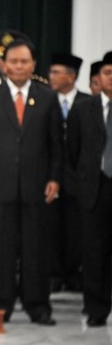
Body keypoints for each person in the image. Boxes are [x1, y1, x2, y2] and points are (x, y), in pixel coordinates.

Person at [0, 39, 64, 325]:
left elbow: (56, 144)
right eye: (14, 61)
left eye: (25, 61)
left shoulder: (47, 96)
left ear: (33, 64)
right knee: (0, 250)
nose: (19, 66)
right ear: (4, 64)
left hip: (37, 187)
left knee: (36, 248)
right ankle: (0, 307)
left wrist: (54, 178)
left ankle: (38, 305)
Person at [66, 51, 112, 327]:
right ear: (98, 78)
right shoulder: (84, 108)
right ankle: (96, 308)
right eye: (108, 73)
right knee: (94, 252)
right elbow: (72, 150)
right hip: (94, 189)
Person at [47, 53, 91, 292]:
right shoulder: (45, 100)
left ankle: (73, 273)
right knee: (51, 228)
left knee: (76, 229)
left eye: (56, 72)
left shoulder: (87, 102)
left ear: (71, 76)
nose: (51, 77)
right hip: (49, 177)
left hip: (78, 177)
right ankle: (53, 274)